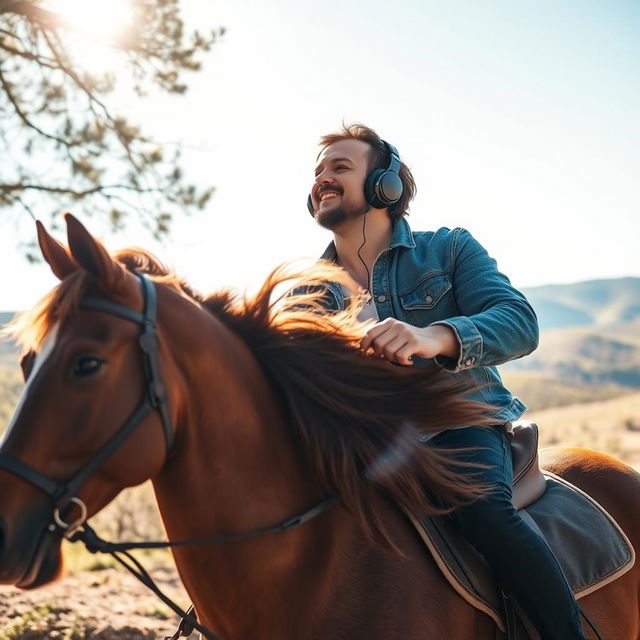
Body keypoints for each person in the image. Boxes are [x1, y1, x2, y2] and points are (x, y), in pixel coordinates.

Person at [304, 123, 588, 640]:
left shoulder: (449, 250)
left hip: (459, 427)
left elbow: (520, 322)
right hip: (359, 447)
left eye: (339, 167)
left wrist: (433, 336)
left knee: (483, 515)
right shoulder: (307, 293)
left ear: (384, 186)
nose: (323, 177)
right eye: (318, 171)